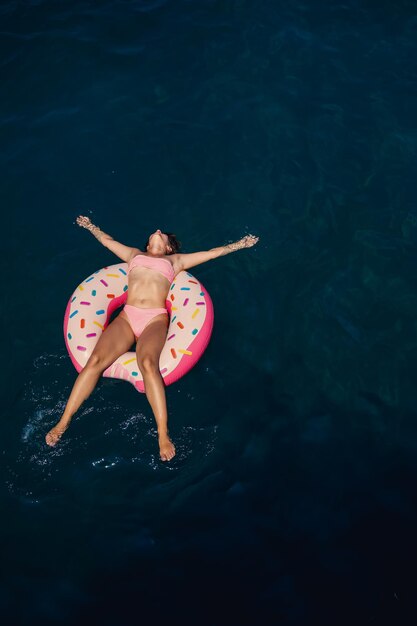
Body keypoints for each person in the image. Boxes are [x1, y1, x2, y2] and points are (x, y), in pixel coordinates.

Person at [45, 216, 259, 461]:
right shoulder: (134, 255)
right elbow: (107, 241)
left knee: (148, 364)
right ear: (148, 245)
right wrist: (90, 226)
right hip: (127, 315)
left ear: (169, 247)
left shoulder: (176, 261)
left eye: (162, 232)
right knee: (94, 361)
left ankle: (163, 435)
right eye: (154, 232)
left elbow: (211, 253)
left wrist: (240, 244)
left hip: (155, 319)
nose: (157, 230)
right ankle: (63, 423)